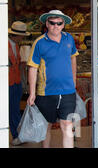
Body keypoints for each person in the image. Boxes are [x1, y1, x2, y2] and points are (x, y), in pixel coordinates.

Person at [27, 10, 78, 148]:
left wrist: (74, 81)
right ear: (47, 24)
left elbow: (73, 58)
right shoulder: (39, 42)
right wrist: (32, 93)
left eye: (59, 23)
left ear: (63, 25)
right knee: (46, 126)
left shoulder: (69, 39)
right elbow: (32, 68)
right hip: (46, 92)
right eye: (52, 23)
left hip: (67, 91)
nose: (55, 26)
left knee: (67, 125)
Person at [8, 21, 30, 146]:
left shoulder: (16, 45)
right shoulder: (5, 45)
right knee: (13, 110)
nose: (23, 38)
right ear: (17, 35)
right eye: (22, 36)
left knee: (15, 109)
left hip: (15, 82)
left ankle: (18, 134)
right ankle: (16, 135)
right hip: (8, 83)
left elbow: (18, 64)